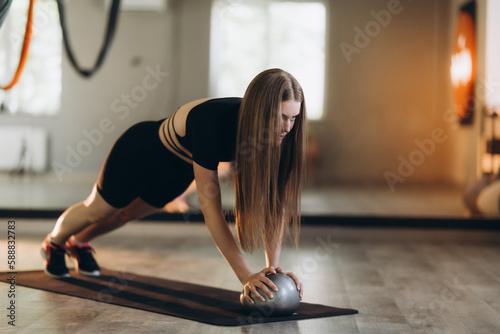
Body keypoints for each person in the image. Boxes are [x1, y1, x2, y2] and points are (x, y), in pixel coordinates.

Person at [41, 68, 307, 304]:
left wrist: (272, 268)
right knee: (98, 210)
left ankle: (79, 242)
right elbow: (211, 212)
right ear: (260, 109)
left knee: (127, 215)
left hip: (176, 171)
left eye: (293, 118)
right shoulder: (213, 123)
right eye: (281, 116)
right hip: (139, 152)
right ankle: (54, 243)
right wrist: (245, 276)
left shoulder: (279, 139)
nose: (287, 127)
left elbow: (275, 206)